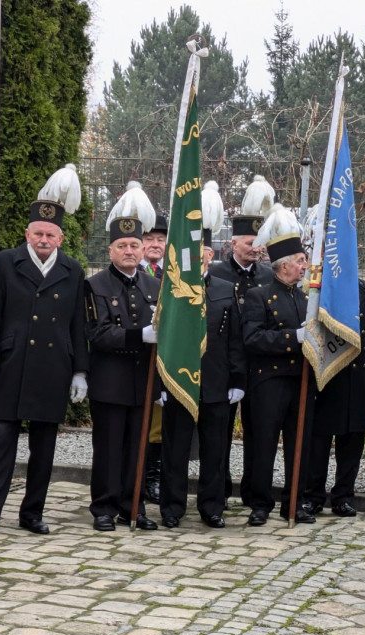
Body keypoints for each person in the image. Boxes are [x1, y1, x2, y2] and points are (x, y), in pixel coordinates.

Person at [0, 165, 89, 540]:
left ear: (60, 237)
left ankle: (32, 513)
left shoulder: (73, 271)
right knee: (1, 443)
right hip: (11, 365)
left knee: (44, 447)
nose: (43, 238)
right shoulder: (5, 263)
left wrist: (79, 371)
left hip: (53, 367)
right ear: (27, 233)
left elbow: (77, 327)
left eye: (50, 234)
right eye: (38, 232)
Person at [158, 180, 245, 529]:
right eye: (192, 253)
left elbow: (235, 339)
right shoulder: (171, 287)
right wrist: (162, 382)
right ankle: (172, 508)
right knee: (175, 449)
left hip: (217, 383)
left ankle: (212, 507)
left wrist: (237, 379)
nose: (198, 258)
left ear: (211, 254)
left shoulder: (225, 289)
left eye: (203, 253)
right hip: (179, 379)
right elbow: (163, 338)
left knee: (215, 450)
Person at [85, 182, 161, 531]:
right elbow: (97, 333)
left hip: (142, 381)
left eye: (135, 245)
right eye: (122, 246)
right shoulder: (96, 285)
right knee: (109, 448)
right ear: (111, 249)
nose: (129, 251)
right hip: (110, 381)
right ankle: (103, 507)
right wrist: (138, 335)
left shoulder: (153, 286)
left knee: (137, 448)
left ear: (144, 247)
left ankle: (134, 507)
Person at [242, 204, 313, 526]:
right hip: (269, 381)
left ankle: (294, 502)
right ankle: (260, 503)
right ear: (283, 266)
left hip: (300, 380)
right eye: (299, 262)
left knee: (299, 444)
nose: (304, 266)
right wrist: (292, 337)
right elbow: (253, 338)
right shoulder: (259, 296)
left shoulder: (305, 299)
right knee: (264, 443)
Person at [209, 175, 275, 506]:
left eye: (259, 242)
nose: (255, 248)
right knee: (219, 432)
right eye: (249, 242)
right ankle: (219, 486)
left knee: (257, 432)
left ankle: (253, 491)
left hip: (259, 366)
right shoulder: (217, 274)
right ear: (233, 243)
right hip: (223, 364)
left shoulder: (268, 276)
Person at [302, 278, 365, 518]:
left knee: (352, 443)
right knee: (319, 443)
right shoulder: (318, 288)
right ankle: (312, 495)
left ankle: (343, 497)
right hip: (327, 379)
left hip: (358, 379)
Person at [141, 212, 167, 503]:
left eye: (161, 239)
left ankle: (153, 479)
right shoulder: (134, 271)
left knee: (158, 426)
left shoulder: (170, 274)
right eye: (149, 239)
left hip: (163, 358)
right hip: (136, 353)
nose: (156, 245)